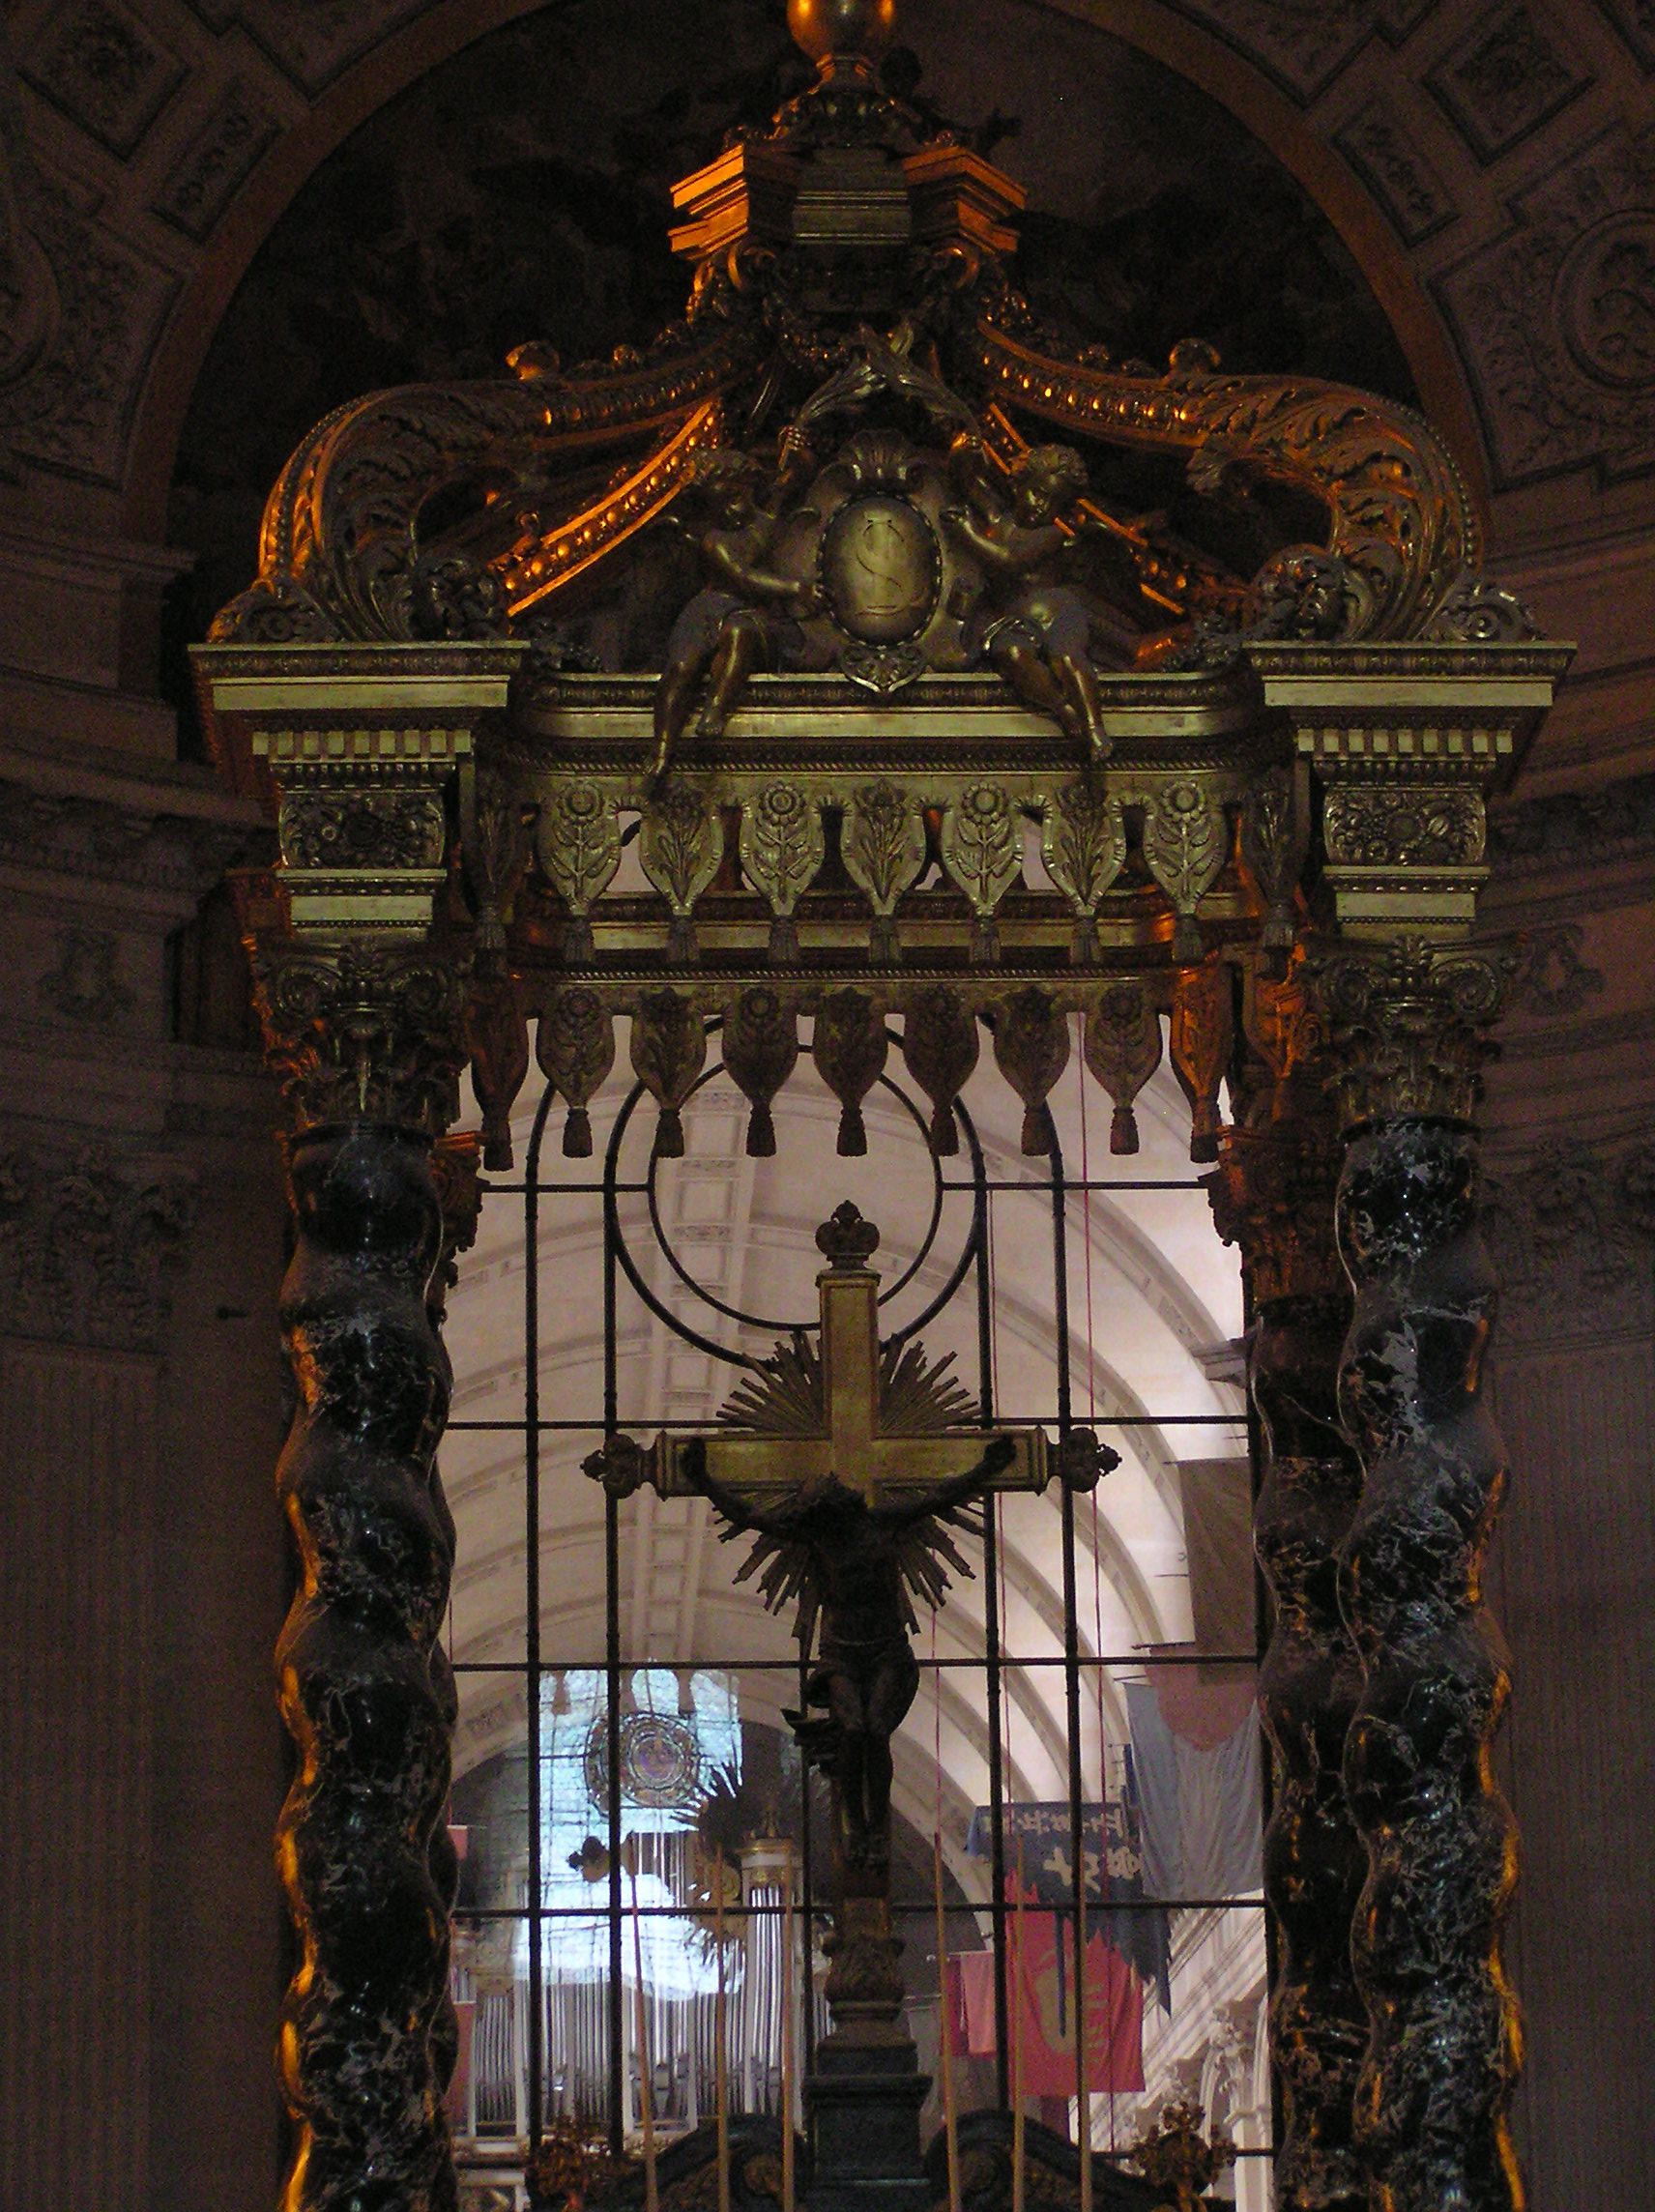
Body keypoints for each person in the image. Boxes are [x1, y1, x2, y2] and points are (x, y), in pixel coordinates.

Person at [651, 444, 823, 782]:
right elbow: (743, 576)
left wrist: (799, 448)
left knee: (740, 635)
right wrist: (796, 588)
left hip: (750, 612)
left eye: (734, 498)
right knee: (681, 668)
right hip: (709, 607)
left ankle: (715, 709)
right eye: (717, 506)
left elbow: (796, 477)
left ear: (748, 488)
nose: (730, 512)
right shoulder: (714, 542)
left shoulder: (766, 516)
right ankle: (662, 750)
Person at [944, 435, 1113, 761]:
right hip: (1014, 618)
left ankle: (1094, 726)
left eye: (1055, 503)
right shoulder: (999, 519)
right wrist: (964, 450)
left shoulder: (1051, 535)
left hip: (1055, 611)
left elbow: (1010, 561)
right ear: (1018, 485)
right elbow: (970, 485)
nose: (1042, 507)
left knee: (1067, 658)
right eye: (1038, 493)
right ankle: (1062, 708)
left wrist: (967, 533)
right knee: (1013, 656)